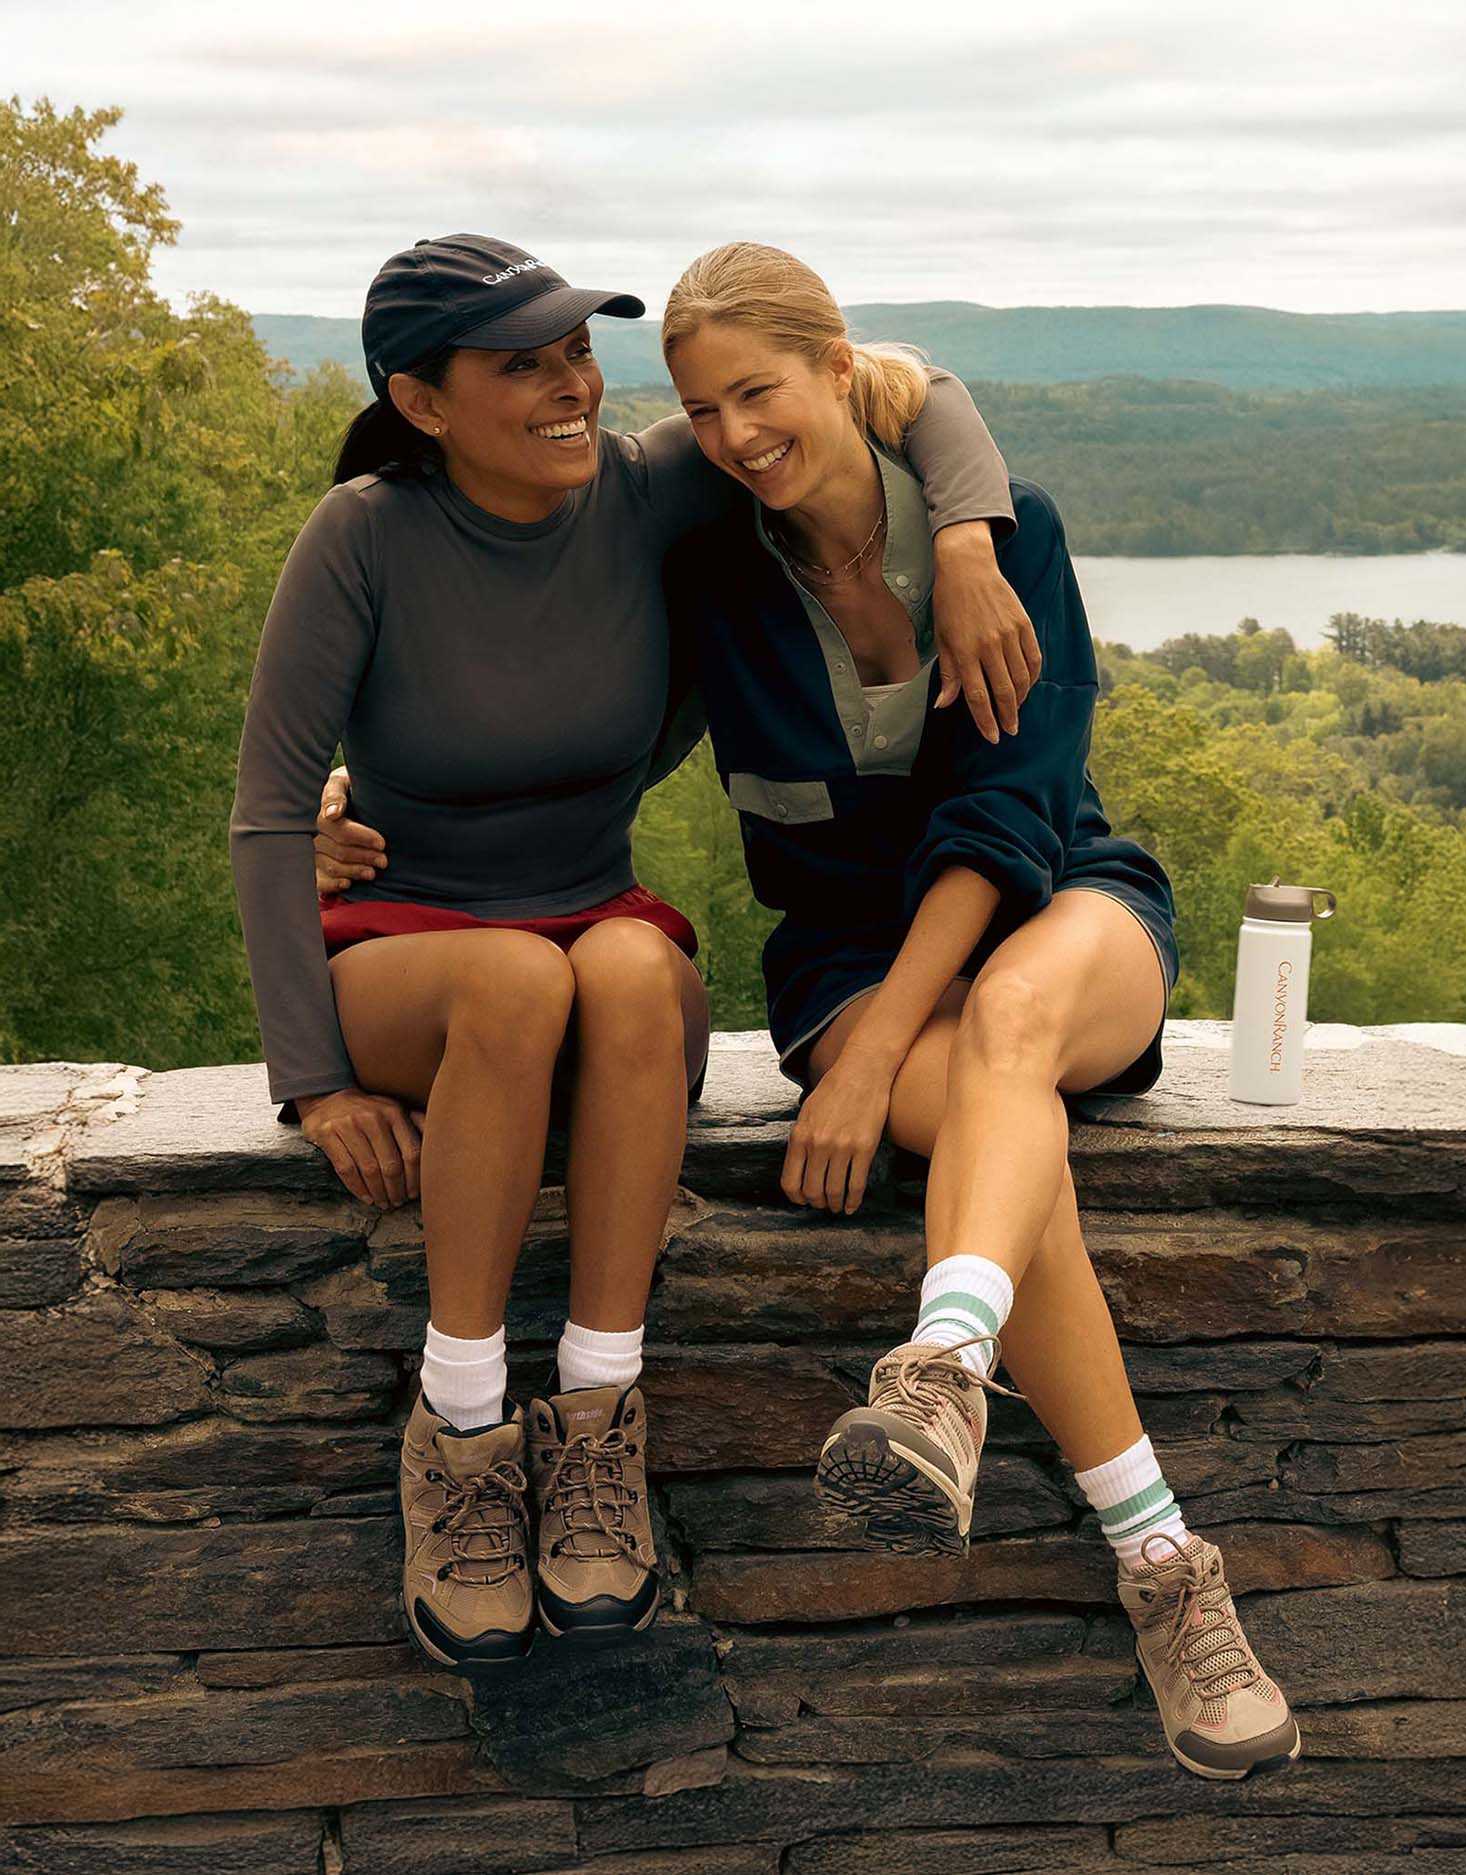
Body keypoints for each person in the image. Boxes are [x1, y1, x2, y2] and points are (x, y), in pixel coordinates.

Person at [230, 233, 1034, 1669]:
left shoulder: (650, 482)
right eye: (520, 365)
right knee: (521, 977)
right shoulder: (363, 535)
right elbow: (272, 815)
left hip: (596, 920)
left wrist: (967, 541)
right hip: (411, 946)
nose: (569, 390)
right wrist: (314, 1081)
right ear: (423, 403)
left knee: (605, 967)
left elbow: (920, 390)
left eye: (575, 354)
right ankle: (465, 1426)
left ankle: (600, 1418)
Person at [651, 242, 1300, 1781]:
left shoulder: (1008, 540)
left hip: (1065, 907)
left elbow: (1008, 814)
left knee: (1012, 1024)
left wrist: (879, 1053)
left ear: (831, 368)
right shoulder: (712, 575)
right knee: (1022, 1174)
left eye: (762, 389)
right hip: (846, 960)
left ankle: (939, 1369)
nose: (739, 432)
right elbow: (592, 727)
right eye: (705, 409)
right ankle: (1165, 1572)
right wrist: (383, 811)